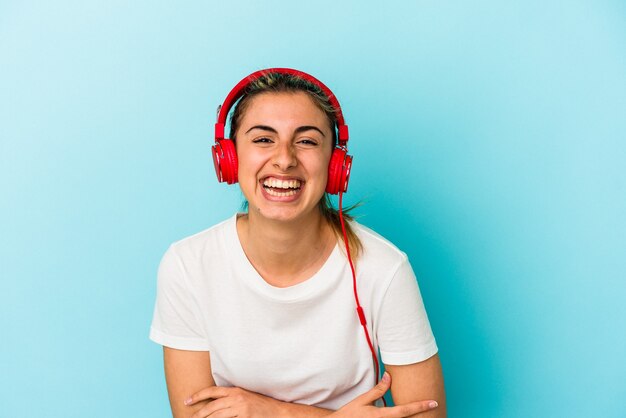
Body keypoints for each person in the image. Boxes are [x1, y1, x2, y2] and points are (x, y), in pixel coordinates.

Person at [150, 68, 446, 417]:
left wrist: (271, 412)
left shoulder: (384, 267)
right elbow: (195, 415)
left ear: (335, 164)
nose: (285, 159)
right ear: (229, 159)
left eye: (306, 141)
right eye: (263, 139)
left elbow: (428, 416)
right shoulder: (188, 264)